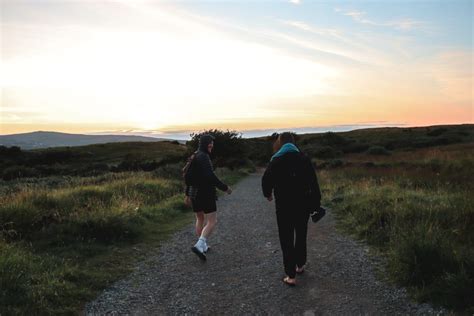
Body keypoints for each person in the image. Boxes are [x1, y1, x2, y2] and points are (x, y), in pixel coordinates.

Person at [262, 132, 321, 286]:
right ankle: (300, 265)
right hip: (303, 205)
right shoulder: (304, 159)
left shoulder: (276, 160)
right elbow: (314, 184)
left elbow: (266, 180)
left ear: (280, 143)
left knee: (286, 239)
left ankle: (291, 275)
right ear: (293, 143)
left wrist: (268, 194)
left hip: (283, 207)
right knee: (301, 235)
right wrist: (316, 204)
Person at [185, 134, 232, 261]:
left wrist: (187, 194)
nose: (212, 145)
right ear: (205, 144)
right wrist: (225, 187)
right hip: (205, 193)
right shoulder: (204, 157)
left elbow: (188, 177)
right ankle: (199, 245)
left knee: (200, 218)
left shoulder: (194, 155)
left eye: (212, 143)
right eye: (210, 143)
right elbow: (210, 176)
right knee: (212, 221)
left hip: (194, 193)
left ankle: (203, 245)